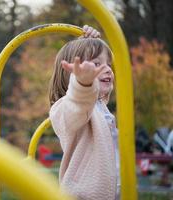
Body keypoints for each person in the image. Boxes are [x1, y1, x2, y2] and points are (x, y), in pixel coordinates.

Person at [49, 25, 120, 200]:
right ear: (70, 74)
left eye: (108, 64)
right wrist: (83, 84)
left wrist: (92, 39)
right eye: (96, 64)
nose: (108, 69)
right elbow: (79, 104)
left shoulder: (100, 105)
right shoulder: (66, 108)